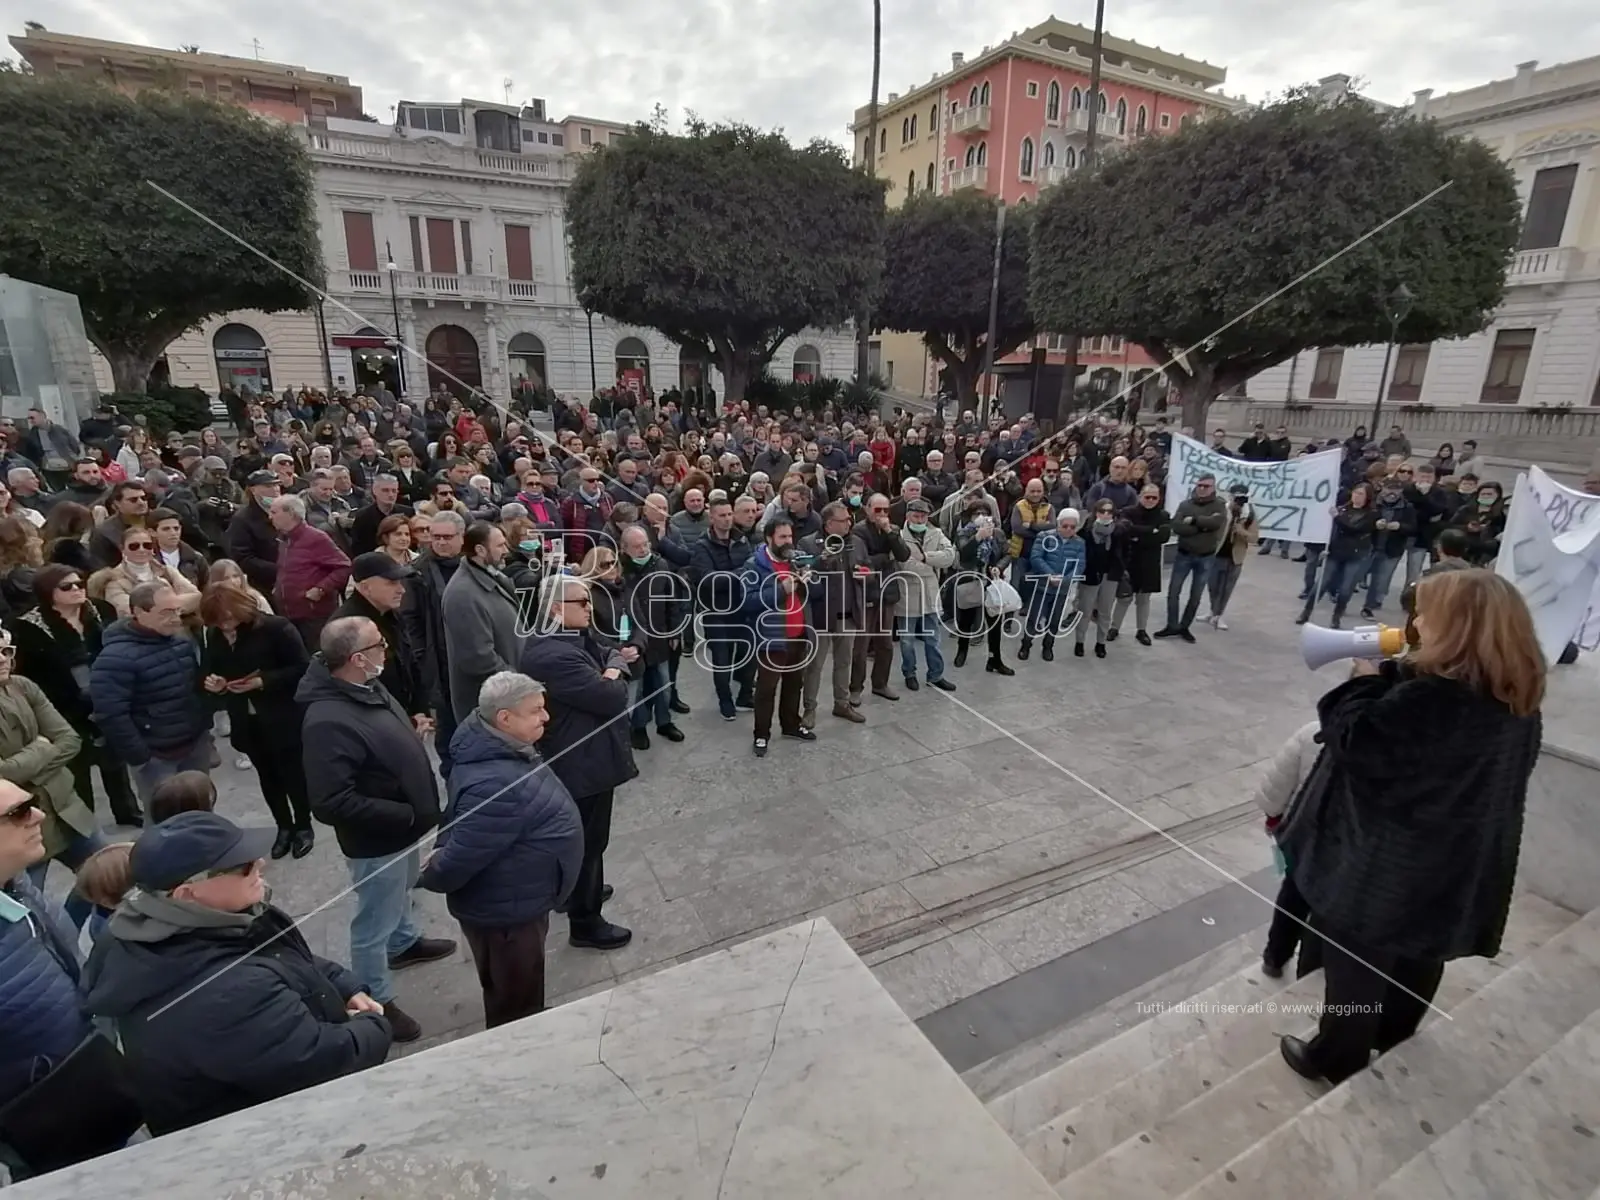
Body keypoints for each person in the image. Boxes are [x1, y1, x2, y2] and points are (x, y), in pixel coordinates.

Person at [1276, 569, 1544, 1086]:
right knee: (1423, 949)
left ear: (1457, 627)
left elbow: (1357, 742)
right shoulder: (1514, 693)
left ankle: (1335, 1056)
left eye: (1426, 614)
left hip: (1389, 863)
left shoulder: (1431, 701)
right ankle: (1395, 1032)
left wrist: (1365, 682)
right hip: (1458, 856)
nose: (1415, 621)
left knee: (1356, 959)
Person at [80, 811, 392, 1135]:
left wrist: (342, 983)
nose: (260, 864)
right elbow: (321, 1064)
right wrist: (375, 1024)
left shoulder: (156, 923)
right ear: (187, 893)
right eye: (242, 866)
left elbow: (280, 956)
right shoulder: (227, 996)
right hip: (265, 1132)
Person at [298, 617, 452, 1044]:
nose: (387, 649)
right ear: (357, 659)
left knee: (400, 894)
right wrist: (403, 813)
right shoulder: (326, 719)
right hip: (379, 838)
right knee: (372, 921)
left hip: (402, 830)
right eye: (379, 644)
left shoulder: (364, 686)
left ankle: (403, 944)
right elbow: (330, 801)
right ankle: (376, 999)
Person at [421, 673, 582, 1027]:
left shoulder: (492, 743)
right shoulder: (496, 783)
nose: (546, 717)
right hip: (506, 917)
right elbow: (454, 860)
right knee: (514, 1003)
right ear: (505, 718)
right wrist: (428, 870)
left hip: (516, 900)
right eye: (536, 711)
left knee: (521, 988)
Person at [519, 575, 636, 951]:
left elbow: (610, 650)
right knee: (588, 841)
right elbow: (611, 695)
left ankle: (579, 891)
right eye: (581, 602)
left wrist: (612, 663)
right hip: (581, 761)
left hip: (588, 754)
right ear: (555, 609)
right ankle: (585, 921)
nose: (590, 608)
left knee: (585, 841)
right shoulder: (553, 654)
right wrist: (614, 670)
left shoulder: (572, 638)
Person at [9, 563, 142, 826]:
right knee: (76, 764)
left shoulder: (100, 610)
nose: (77, 590)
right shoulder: (27, 628)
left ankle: (127, 810)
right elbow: (27, 672)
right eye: (67, 586)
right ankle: (86, 822)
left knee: (114, 757)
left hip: (105, 693)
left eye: (79, 583)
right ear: (48, 592)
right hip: (61, 703)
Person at [199, 583, 314, 859]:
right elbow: (211, 667)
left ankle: (303, 826)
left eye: (229, 619)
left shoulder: (276, 628)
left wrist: (263, 682)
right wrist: (214, 682)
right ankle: (283, 826)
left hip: (282, 714)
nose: (226, 626)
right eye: (219, 621)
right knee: (267, 776)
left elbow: (302, 667)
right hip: (246, 718)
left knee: (293, 775)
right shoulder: (215, 634)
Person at [0, 628, 100, 930]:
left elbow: (69, 739)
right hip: (17, 824)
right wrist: (42, 748)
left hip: (65, 807)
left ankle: (67, 925)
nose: (3, 659)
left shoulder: (22, 686)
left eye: (6, 651)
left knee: (110, 872)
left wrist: (24, 768)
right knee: (26, 911)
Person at [91, 581, 214, 809]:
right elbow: (110, 713)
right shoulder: (115, 658)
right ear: (139, 612)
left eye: (178, 610)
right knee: (164, 821)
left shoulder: (181, 643)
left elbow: (193, 688)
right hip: (156, 757)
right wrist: (141, 756)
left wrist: (204, 721)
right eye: (166, 612)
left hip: (194, 745)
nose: (176, 618)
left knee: (202, 811)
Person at [740, 514, 816, 756]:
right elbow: (748, 601)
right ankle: (761, 734)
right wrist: (781, 589)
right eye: (782, 537)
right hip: (771, 638)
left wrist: (808, 581)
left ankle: (791, 725)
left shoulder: (795, 561)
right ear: (769, 538)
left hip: (798, 634)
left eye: (790, 536)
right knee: (766, 689)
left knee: (795, 684)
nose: (788, 542)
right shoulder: (754, 565)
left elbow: (813, 594)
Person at [1250, 720, 1321, 978]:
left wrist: (1273, 817)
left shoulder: (1313, 732)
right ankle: (1312, 967)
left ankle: (1275, 957)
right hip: (1350, 848)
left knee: (1293, 895)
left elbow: (1278, 785)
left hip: (1304, 834)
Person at [401, 510, 465, 773]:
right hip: (439, 663)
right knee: (449, 737)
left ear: (462, 537)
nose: (439, 542)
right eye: (435, 537)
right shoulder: (417, 574)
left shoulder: (475, 565)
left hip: (473, 657)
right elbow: (410, 622)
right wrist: (422, 660)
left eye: (447, 537)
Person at [442, 522, 524, 725]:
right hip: (490, 706)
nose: (506, 551)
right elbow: (479, 658)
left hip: (507, 696)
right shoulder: (463, 594)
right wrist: (519, 682)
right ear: (480, 550)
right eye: (500, 546)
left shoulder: (493, 576)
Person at [618, 524, 689, 749]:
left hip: (660, 636)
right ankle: (638, 727)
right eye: (637, 547)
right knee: (636, 688)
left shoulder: (661, 564)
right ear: (625, 549)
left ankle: (664, 722)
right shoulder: (619, 571)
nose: (643, 550)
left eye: (645, 544)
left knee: (664, 684)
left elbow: (672, 600)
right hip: (633, 640)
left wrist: (675, 630)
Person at [336, 552, 429, 722]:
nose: (401, 589)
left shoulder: (391, 614)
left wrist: (420, 710)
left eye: (400, 582)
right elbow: (357, 689)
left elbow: (410, 664)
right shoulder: (347, 628)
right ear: (365, 587)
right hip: (380, 723)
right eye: (391, 583)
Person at [686, 495, 755, 720]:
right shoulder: (702, 545)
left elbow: (751, 570)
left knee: (748, 654)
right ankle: (725, 701)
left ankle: (745, 696)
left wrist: (736, 576)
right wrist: (739, 574)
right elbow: (709, 580)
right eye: (721, 515)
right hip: (716, 613)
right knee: (721, 660)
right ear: (712, 517)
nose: (726, 520)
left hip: (742, 608)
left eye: (728, 515)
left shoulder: (742, 540)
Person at [269, 494, 352, 652]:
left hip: (313, 617)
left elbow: (344, 566)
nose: (269, 516)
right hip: (288, 615)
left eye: (274, 512)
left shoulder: (316, 538)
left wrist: (320, 589)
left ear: (290, 514)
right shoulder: (284, 540)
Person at [1156, 474, 1228, 643]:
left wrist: (1194, 521)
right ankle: (1172, 625)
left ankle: (1184, 627)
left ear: (1213, 488)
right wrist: (1201, 527)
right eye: (1200, 485)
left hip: (1205, 557)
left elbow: (1216, 523)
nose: (1202, 489)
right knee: (1173, 592)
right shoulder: (1185, 505)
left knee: (1195, 595)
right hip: (1184, 555)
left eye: (1206, 486)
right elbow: (1178, 526)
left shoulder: (1219, 505)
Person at [1297, 482, 1377, 628]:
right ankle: (1306, 611)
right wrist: (1324, 548)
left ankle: (1337, 616)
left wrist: (1337, 517)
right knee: (1321, 584)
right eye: (1355, 492)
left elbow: (1354, 529)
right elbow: (1330, 531)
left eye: (1361, 494)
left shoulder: (1371, 515)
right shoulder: (1343, 509)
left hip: (1355, 555)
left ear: (1367, 498)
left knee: (1346, 588)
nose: (1356, 496)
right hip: (1335, 552)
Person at [897, 499, 956, 692]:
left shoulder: (936, 533)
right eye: (916, 516)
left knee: (934, 639)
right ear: (908, 516)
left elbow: (950, 557)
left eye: (923, 516)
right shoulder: (899, 537)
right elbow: (903, 564)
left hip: (930, 593)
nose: (920, 519)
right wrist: (932, 565)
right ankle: (910, 673)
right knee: (906, 641)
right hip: (907, 594)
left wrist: (925, 558)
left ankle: (936, 675)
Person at [89, 522, 201, 620]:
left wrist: (163, 608)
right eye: (134, 546)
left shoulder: (166, 571)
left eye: (147, 545)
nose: (141, 550)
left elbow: (195, 596)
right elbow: (128, 611)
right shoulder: (114, 579)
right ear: (122, 549)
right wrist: (173, 606)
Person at [1110, 484, 1170, 646]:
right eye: (1147, 496)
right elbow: (1125, 531)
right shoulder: (1128, 512)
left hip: (1150, 563)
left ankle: (1141, 630)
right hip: (1130, 561)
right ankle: (1114, 627)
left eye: (1154, 497)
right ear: (1140, 496)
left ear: (1159, 498)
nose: (1150, 500)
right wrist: (1152, 531)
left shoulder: (1164, 515)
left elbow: (1164, 536)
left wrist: (1138, 535)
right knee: (1124, 597)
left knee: (1144, 599)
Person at [953, 512, 1012, 673]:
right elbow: (964, 554)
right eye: (985, 525)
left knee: (994, 623)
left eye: (991, 524)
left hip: (991, 583)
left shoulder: (998, 534)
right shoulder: (965, 533)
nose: (989, 528)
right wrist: (978, 537)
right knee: (967, 620)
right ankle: (962, 650)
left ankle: (995, 659)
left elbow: (1008, 553)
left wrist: (998, 567)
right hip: (971, 581)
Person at [1023, 508, 1085, 661]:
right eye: (1065, 526)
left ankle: (1048, 646)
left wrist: (1064, 580)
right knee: (1034, 618)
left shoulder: (1079, 543)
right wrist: (1049, 575)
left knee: (1055, 620)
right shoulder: (1045, 537)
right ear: (1058, 524)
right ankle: (1026, 644)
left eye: (1072, 527)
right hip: (1042, 586)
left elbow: (1079, 565)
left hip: (1061, 590)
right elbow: (1036, 558)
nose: (1068, 529)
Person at [1072, 500, 1129, 659]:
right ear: (1095, 512)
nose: (1105, 514)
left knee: (1105, 611)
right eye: (1102, 511)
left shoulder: (1118, 531)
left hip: (1110, 575)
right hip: (1091, 575)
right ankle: (1080, 642)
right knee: (1084, 610)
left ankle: (1101, 643)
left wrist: (1121, 567)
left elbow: (1125, 552)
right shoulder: (1087, 531)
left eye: (1109, 511)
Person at [1202, 484, 1258, 632]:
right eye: (1235, 497)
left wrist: (1242, 531)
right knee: (1212, 586)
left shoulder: (1249, 514)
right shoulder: (1222, 509)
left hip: (1235, 558)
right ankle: (1212, 611)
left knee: (1226, 588)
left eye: (1241, 497)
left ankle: (1219, 615)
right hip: (1217, 554)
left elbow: (1254, 538)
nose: (1238, 501)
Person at [226, 471, 282, 594]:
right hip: (261, 585)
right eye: (268, 486)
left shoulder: (285, 513)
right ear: (253, 490)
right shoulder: (242, 520)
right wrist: (279, 569)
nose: (275, 490)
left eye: (277, 485)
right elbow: (243, 558)